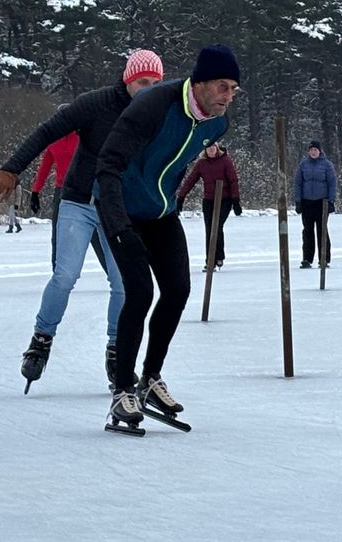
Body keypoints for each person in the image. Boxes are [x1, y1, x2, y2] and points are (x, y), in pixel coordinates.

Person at [0, 49, 163, 391]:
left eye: (155, 83)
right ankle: (41, 339)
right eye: (143, 82)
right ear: (128, 80)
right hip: (79, 201)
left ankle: (116, 350)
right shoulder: (95, 103)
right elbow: (46, 133)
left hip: (118, 209)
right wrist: (12, 168)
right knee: (65, 275)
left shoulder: (156, 114)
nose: (149, 89)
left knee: (124, 282)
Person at [96, 44, 238, 430]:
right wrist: (118, 225)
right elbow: (107, 167)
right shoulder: (154, 105)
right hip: (121, 209)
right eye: (223, 87)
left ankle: (150, 377)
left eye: (233, 90)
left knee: (177, 290)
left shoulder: (216, 124)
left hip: (161, 211)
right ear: (202, 83)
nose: (228, 97)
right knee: (139, 292)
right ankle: (122, 389)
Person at [30, 131, 105, 269]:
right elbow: (45, 165)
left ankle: (117, 277)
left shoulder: (83, 136)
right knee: (58, 235)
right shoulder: (54, 139)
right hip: (62, 192)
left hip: (85, 189)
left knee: (96, 235)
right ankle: (58, 274)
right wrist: (35, 191)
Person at [176, 142, 242, 271]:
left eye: (213, 147)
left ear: (217, 149)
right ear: (205, 150)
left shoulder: (225, 161)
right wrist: (181, 198)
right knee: (209, 229)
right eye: (208, 148)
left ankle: (218, 256)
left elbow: (233, 180)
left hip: (225, 200)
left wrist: (236, 201)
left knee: (216, 227)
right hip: (209, 200)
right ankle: (210, 260)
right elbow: (190, 180)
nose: (211, 150)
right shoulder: (201, 163)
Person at [292, 140, 337, 269]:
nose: (313, 152)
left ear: (320, 151)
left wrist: (331, 201)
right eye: (311, 150)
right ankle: (307, 258)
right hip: (307, 202)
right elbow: (297, 183)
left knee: (322, 231)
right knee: (307, 231)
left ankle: (324, 259)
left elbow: (332, 183)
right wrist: (298, 201)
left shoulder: (327, 165)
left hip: (322, 202)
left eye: (315, 150)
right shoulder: (303, 165)